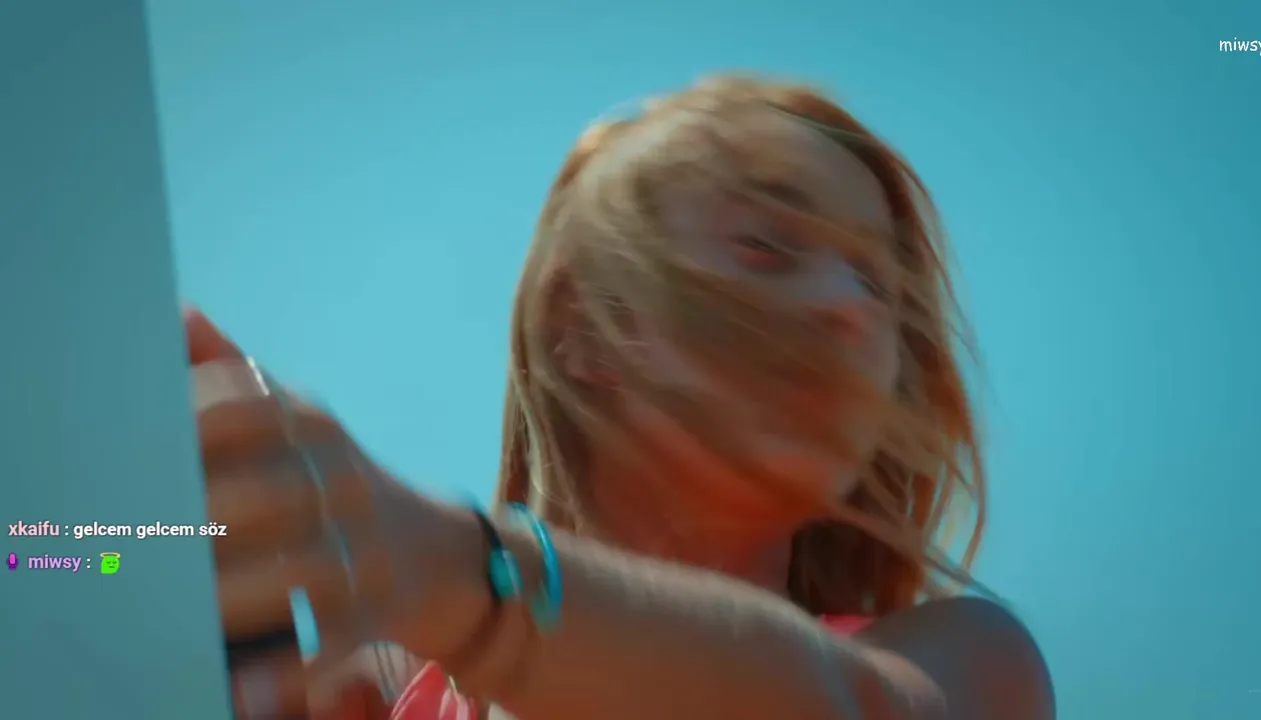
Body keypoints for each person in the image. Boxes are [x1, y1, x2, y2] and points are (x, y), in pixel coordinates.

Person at [192, 75, 1054, 719]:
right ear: (583, 325)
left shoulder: (970, 662)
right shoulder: (389, 690)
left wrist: (470, 574)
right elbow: (102, 559)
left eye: (877, 281)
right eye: (765, 245)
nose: (849, 305)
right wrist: (155, 546)